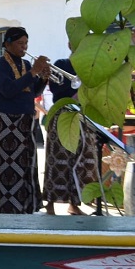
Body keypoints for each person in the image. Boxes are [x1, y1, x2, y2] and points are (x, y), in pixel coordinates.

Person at [0, 27, 49, 214]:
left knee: (28, 164)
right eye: (20, 43)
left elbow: (32, 92)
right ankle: (10, 207)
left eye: (26, 43)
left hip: (26, 120)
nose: (24, 47)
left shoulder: (26, 65)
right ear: (7, 44)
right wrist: (33, 73)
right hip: (8, 122)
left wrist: (43, 79)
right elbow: (8, 90)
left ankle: (27, 205)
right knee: (10, 166)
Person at [43, 55, 98, 215]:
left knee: (82, 160)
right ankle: (50, 203)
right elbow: (55, 89)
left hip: (83, 116)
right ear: (69, 44)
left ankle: (75, 203)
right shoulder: (61, 64)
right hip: (62, 114)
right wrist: (74, 94)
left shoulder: (90, 66)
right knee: (57, 160)